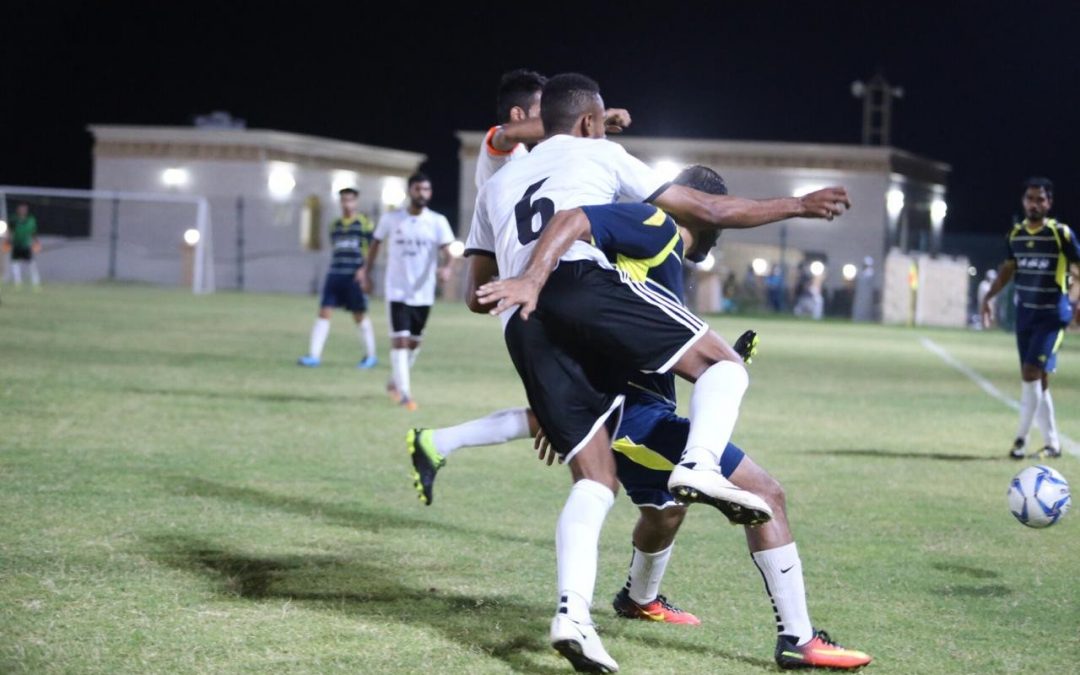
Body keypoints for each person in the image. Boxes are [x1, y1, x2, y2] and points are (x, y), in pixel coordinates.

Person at [466, 72, 850, 672]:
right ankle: (794, 634)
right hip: (601, 344)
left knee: (605, 486)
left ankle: (579, 613)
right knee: (748, 446)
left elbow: (477, 291)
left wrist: (534, 311)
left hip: (523, 323)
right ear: (589, 123)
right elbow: (583, 220)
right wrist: (800, 205)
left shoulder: (496, 183)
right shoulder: (639, 210)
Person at [981, 177, 1080, 459]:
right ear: (1023, 201)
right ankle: (1053, 444)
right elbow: (1007, 271)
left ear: (1049, 203)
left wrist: (1077, 300)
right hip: (1025, 315)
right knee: (1039, 379)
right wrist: (988, 297)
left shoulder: (1060, 234)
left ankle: (1020, 440)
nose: (1034, 204)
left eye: (1040, 199)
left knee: (1030, 373)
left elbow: (1078, 268)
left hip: (1052, 315)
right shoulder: (1015, 235)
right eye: (1030, 199)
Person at [362, 173, 454, 411]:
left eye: (426, 189)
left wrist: (447, 268)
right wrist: (366, 272)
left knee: (413, 343)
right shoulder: (392, 219)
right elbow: (375, 244)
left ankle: (394, 382)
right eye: (417, 189)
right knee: (400, 340)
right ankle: (404, 394)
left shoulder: (437, 221)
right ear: (409, 191)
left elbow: (449, 252)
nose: (422, 194)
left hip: (423, 292)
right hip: (397, 290)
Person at [297, 188, 377, 368]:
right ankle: (314, 356)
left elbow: (372, 250)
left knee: (359, 314)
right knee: (324, 312)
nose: (347, 204)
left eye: (350, 200)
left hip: (354, 277)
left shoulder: (365, 224)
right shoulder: (335, 225)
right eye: (344, 200)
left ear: (356, 202)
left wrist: (364, 270)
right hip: (335, 274)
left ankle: (371, 356)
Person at [6, 203, 41, 289]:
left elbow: (33, 232)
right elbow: (10, 231)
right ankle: (18, 283)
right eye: (21, 209)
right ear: (18, 210)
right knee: (15, 263)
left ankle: (35, 283)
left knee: (31, 264)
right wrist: (8, 241)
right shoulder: (14, 219)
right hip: (16, 245)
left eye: (24, 209)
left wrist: (36, 242)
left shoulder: (31, 220)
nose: (22, 210)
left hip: (26, 245)